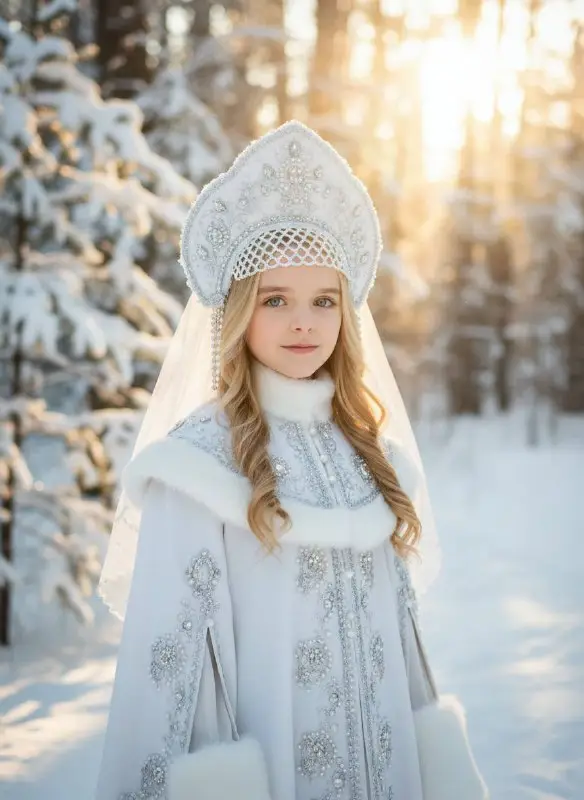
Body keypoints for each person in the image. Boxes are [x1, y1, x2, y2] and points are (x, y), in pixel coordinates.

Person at [94, 121, 488, 800]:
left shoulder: (371, 457)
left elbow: (406, 652)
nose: (304, 322)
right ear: (239, 312)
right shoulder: (199, 465)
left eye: (323, 301)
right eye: (276, 300)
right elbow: (172, 675)